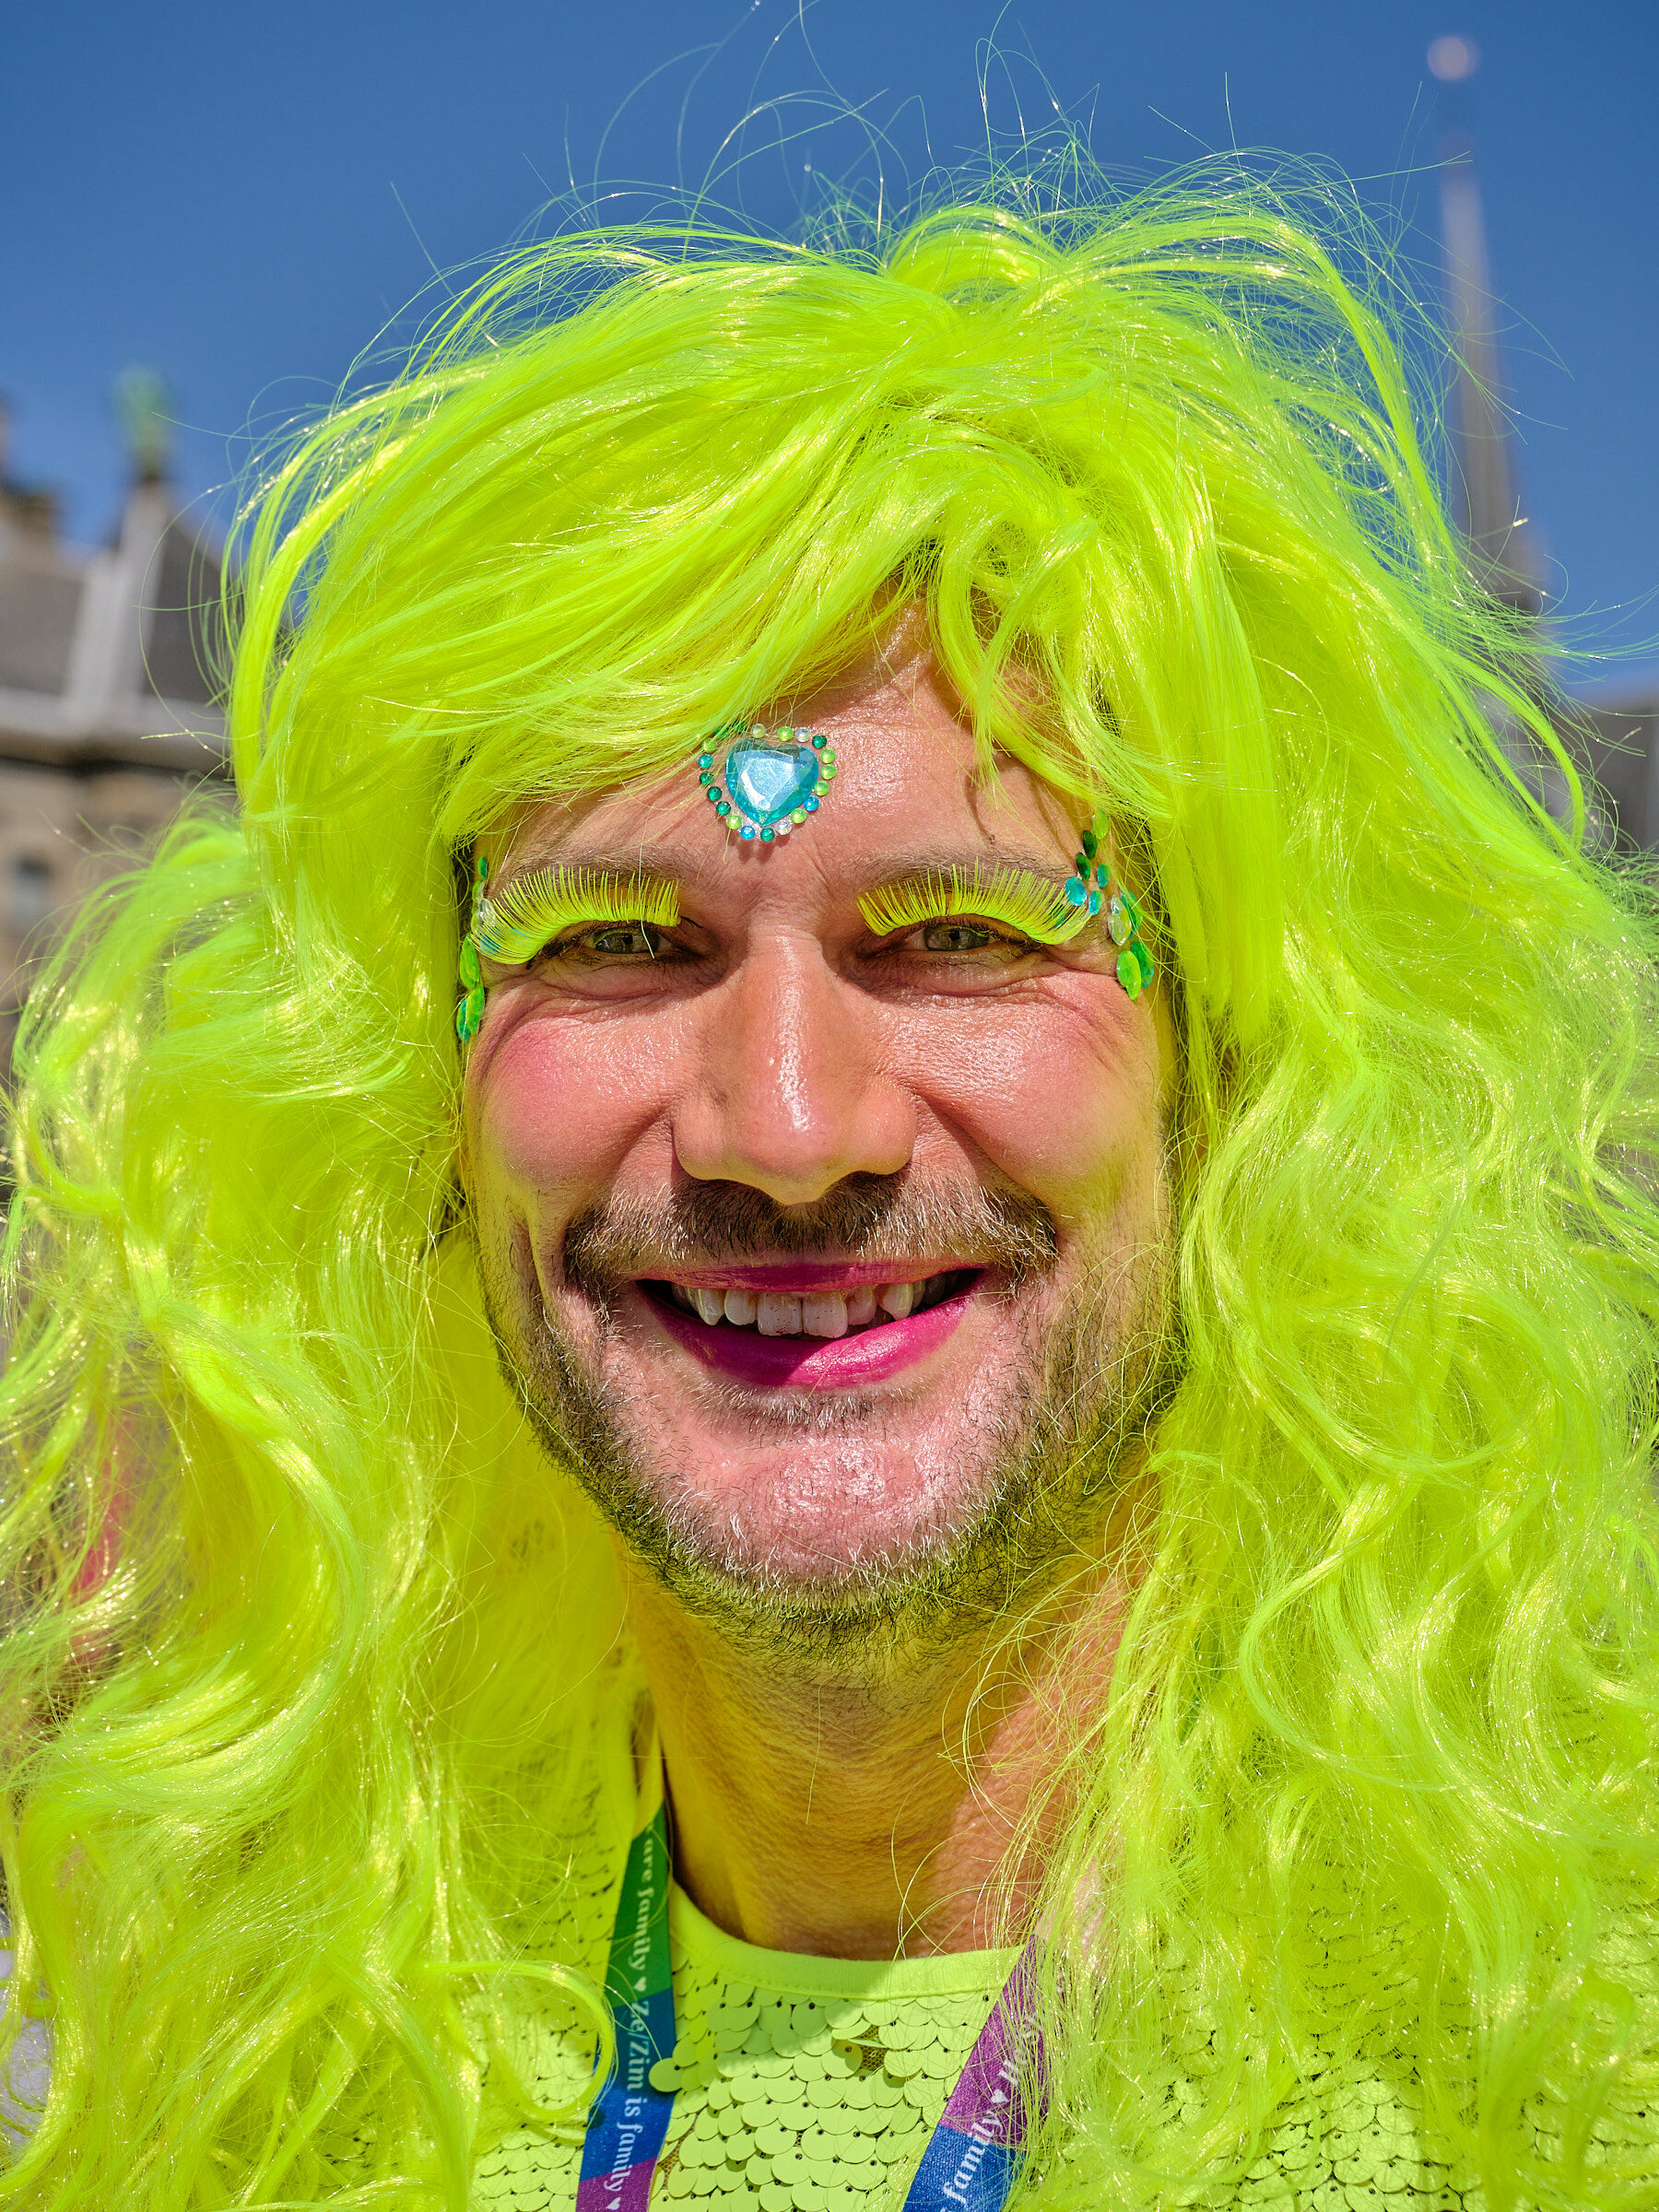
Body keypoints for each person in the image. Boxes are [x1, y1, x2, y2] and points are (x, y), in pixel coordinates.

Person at [2, 170, 1657, 2212]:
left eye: (960, 936)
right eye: (617, 944)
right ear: (416, 1108)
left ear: (1229, 1075)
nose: (787, 1128)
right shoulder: (212, 2063)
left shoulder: (1585, 2057)